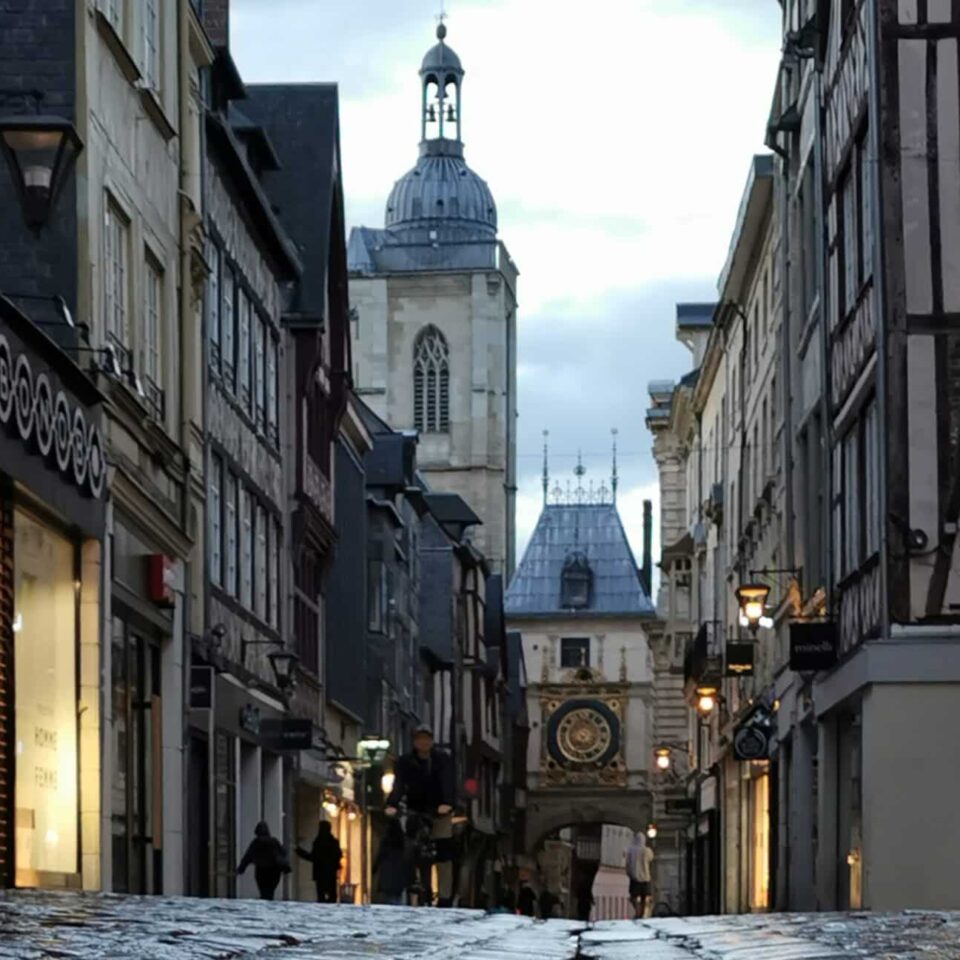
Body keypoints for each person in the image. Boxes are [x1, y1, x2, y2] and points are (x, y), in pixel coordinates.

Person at [385, 725, 455, 906]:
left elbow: (448, 782)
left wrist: (446, 803)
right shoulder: (404, 762)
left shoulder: (442, 760)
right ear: (414, 742)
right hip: (415, 809)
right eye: (419, 739)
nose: (423, 742)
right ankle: (412, 883)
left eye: (427, 739)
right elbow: (399, 785)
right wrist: (392, 804)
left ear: (432, 741)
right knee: (408, 846)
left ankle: (445, 895)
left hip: (439, 810)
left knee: (443, 852)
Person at [237, 820, 290, 900]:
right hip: (274, 871)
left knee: (263, 891)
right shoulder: (274, 841)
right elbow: (283, 853)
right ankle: (269, 904)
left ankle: (265, 904)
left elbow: (247, 857)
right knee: (270, 891)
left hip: (261, 870)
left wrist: (241, 869)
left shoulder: (256, 843)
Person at [296, 820, 342, 903]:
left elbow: (313, 857)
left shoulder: (318, 842)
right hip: (330, 872)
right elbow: (338, 855)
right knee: (332, 894)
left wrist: (300, 852)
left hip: (320, 872)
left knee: (321, 894)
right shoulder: (334, 842)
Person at [373, 818, 414, 905]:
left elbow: (381, 854)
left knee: (388, 895)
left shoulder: (386, 840)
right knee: (396, 895)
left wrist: (375, 867)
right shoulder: (403, 840)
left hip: (387, 870)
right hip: (399, 871)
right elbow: (408, 857)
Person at [625, 830, 655, 919]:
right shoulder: (647, 850)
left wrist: (629, 873)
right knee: (644, 897)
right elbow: (651, 859)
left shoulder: (630, 850)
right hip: (646, 878)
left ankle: (637, 911)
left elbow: (627, 863)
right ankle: (642, 912)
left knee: (633, 897)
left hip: (634, 878)